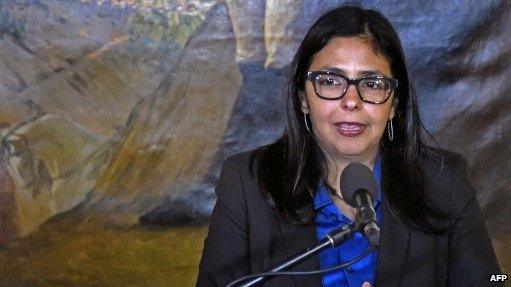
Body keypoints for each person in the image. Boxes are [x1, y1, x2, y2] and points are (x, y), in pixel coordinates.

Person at [196, 5, 502, 287]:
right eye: (330, 81)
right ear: (303, 98)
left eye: (371, 83)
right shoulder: (247, 184)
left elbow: (494, 279)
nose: (351, 101)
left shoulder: (444, 182)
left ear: (393, 104)